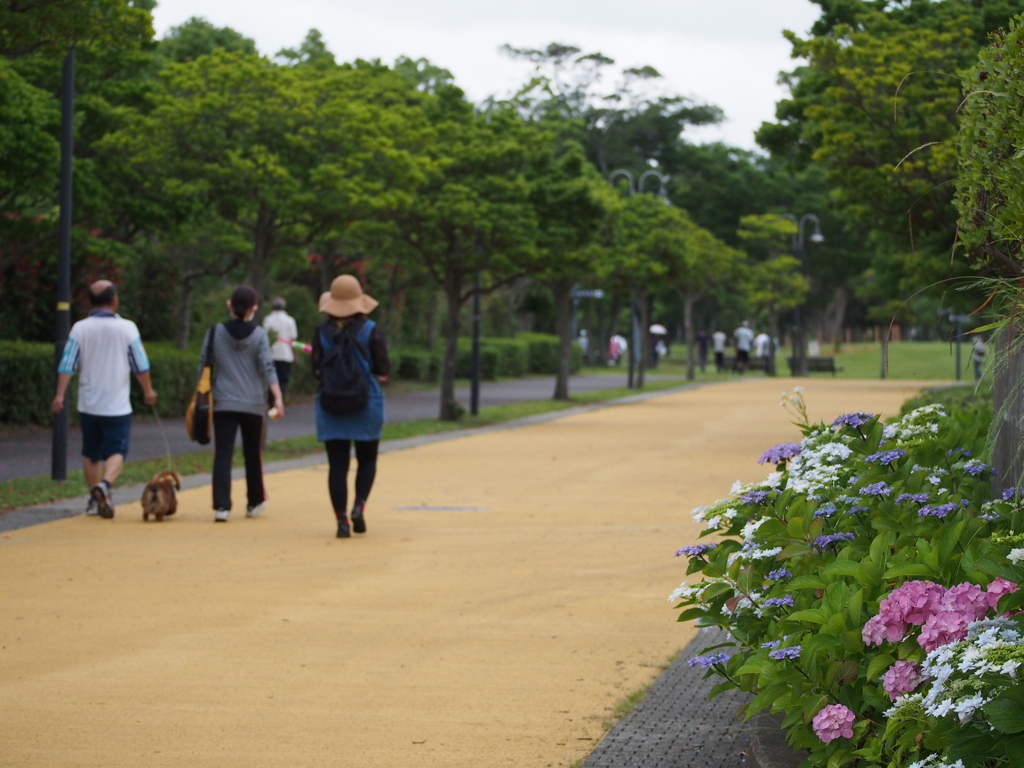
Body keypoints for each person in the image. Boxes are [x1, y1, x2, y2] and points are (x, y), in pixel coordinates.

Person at [51, 280, 158, 519]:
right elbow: (140, 364)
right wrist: (148, 391)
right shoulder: (127, 328)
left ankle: (93, 498)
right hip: (117, 404)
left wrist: (59, 395)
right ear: (114, 301)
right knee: (117, 450)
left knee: (91, 453)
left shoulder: (80, 328)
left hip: (89, 403)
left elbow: (67, 364)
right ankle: (106, 485)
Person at [313, 275, 390, 539]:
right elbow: (382, 368)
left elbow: (316, 370)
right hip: (365, 402)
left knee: (337, 466)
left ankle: (341, 521)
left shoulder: (322, 333)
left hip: (332, 404)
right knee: (367, 459)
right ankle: (359, 506)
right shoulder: (371, 330)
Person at [199, 286, 283, 523]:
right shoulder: (259, 335)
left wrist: (200, 395)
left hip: (224, 401)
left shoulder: (215, 333)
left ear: (229, 305)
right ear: (253, 309)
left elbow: (203, 365)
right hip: (253, 403)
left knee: (223, 453)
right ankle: (254, 501)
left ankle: (222, 507)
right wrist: (277, 395)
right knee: (252, 453)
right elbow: (268, 366)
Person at [263, 297, 298, 407]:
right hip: (285, 355)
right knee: (283, 380)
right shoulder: (289, 320)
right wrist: (295, 355)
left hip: (270, 354)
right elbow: (293, 340)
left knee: (271, 379)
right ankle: (279, 401)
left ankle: (271, 401)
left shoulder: (267, 319)